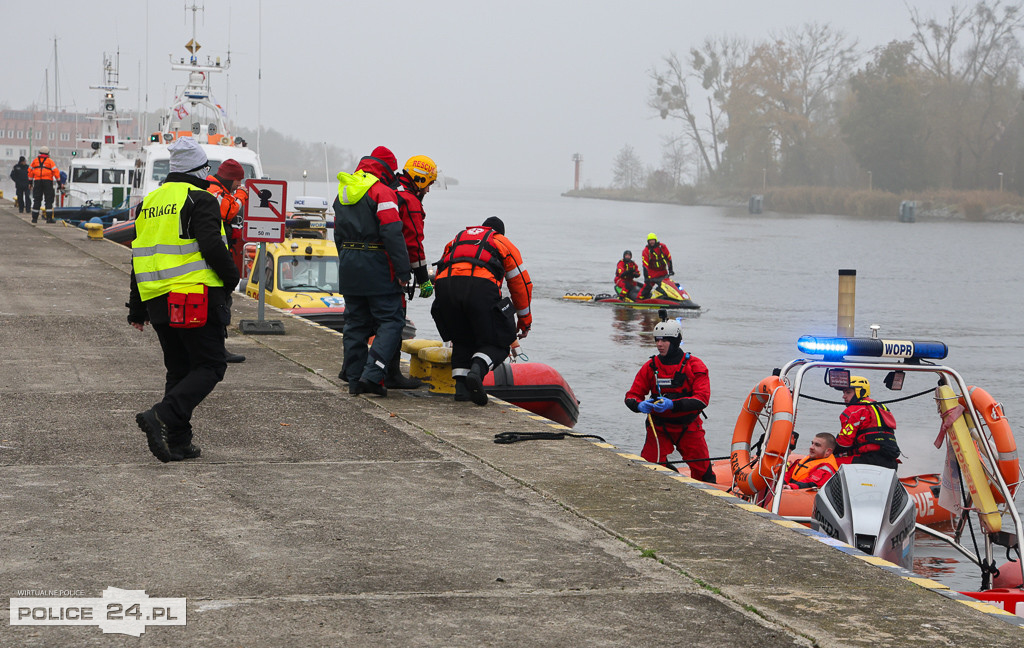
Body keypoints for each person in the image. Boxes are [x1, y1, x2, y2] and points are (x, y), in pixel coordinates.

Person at [126, 137, 239, 463]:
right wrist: (231, 278)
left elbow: (139, 256)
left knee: (178, 369)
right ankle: (161, 415)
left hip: (159, 298)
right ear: (199, 169)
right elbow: (211, 244)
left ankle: (178, 441)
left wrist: (137, 307)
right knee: (211, 364)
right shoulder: (200, 198)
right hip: (196, 296)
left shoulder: (150, 201)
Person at [334, 146, 411, 397]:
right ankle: (373, 373)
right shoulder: (383, 192)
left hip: (348, 262)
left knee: (355, 323)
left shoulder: (344, 193)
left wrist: (345, 260)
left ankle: (354, 380)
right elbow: (392, 233)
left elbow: (337, 235)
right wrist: (403, 271)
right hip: (377, 264)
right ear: (387, 168)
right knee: (391, 320)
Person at [431, 216, 533, 406]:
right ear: (499, 232)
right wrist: (524, 320)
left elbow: (442, 269)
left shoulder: (457, 239)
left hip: (445, 289)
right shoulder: (501, 241)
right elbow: (521, 283)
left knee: (461, 338)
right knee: (501, 341)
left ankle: (461, 390)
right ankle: (477, 370)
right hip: (480, 288)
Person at [624, 317, 714, 482]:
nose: (659, 344)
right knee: (650, 469)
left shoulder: (695, 366)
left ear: (675, 341)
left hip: (688, 427)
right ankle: (669, 474)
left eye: (665, 340)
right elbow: (632, 395)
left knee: (704, 472)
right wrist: (639, 405)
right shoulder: (651, 367)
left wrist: (673, 405)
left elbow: (702, 399)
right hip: (659, 427)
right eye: (657, 340)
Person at [384, 154, 438, 389]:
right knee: (395, 321)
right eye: (428, 185)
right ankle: (392, 374)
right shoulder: (410, 201)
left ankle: (359, 370)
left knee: (367, 321)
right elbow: (414, 242)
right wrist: (424, 279)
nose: (427, 191)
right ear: (420, 179)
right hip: (393, 272)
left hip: (374, 266)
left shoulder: (388, 191)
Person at [206, 158, 249, 364]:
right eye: (238, 182)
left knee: (221, 302)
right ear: (231, 179)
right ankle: (218, 349)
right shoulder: (214, 191)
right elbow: (228, 211)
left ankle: (216, 347)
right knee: (221, 303)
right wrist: (241, 196)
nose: (239, 186)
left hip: (217, 253)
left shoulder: (215, 189)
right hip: (215, 256)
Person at [835, 376, 901, 469]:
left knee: (829, 463)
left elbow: (844, 443)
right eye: (844, 392)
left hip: (868, 461)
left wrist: (828, 450)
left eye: (848, 392)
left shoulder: (854, 410)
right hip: (890, 462)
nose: (844, 396)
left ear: (860, 392)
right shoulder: (881, 406)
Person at [27, 147, 60, 223]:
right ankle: (49, 219)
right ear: (48, 153)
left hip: (37, 182)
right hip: (47, 182)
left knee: (37, 200)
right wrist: (59, 183)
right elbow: (56, 172)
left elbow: (30, 172)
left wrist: (30, 183)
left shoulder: (35, 161)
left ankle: (34, 218)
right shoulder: (50, 161)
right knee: (48, 200)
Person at [640, 232, 673, 299]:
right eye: (650, 240)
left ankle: (670, 299)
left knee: (669, 288)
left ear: (655, 240)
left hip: (663, 273)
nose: (652, 242)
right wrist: (646, 278)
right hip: (652, 274)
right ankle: (639, 299)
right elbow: (645, 265)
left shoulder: (662, 247)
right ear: (648, 241)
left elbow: (668, 258)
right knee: (646, 289)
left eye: (653, 240)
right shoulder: (646, 251)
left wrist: (671, 270)